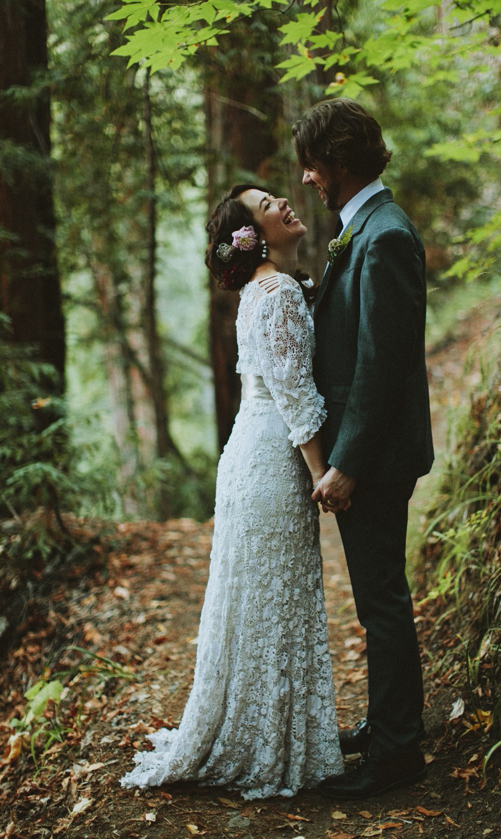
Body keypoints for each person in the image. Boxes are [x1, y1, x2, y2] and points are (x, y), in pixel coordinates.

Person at [120, 184, 344, 799]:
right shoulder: (277, 294)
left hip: (250, 455)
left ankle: (271, 730)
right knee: (273, 603)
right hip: (272, 462)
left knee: (262, 604)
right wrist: (323, 471)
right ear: (252, 235)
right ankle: (271, 741)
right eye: (270, 203)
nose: (284, 205)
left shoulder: (258, 291)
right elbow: (296, 393)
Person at [293, 99, 435, 800]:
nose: (307, 179)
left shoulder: (385, 237)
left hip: (373, 456)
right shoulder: (366, 229)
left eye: (313, 165)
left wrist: (345, 461)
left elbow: (383, 363)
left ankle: (398, 755)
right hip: (367, 450)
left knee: (382, 602)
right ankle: (387, 728)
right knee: (379, 600)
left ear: (338, 162)